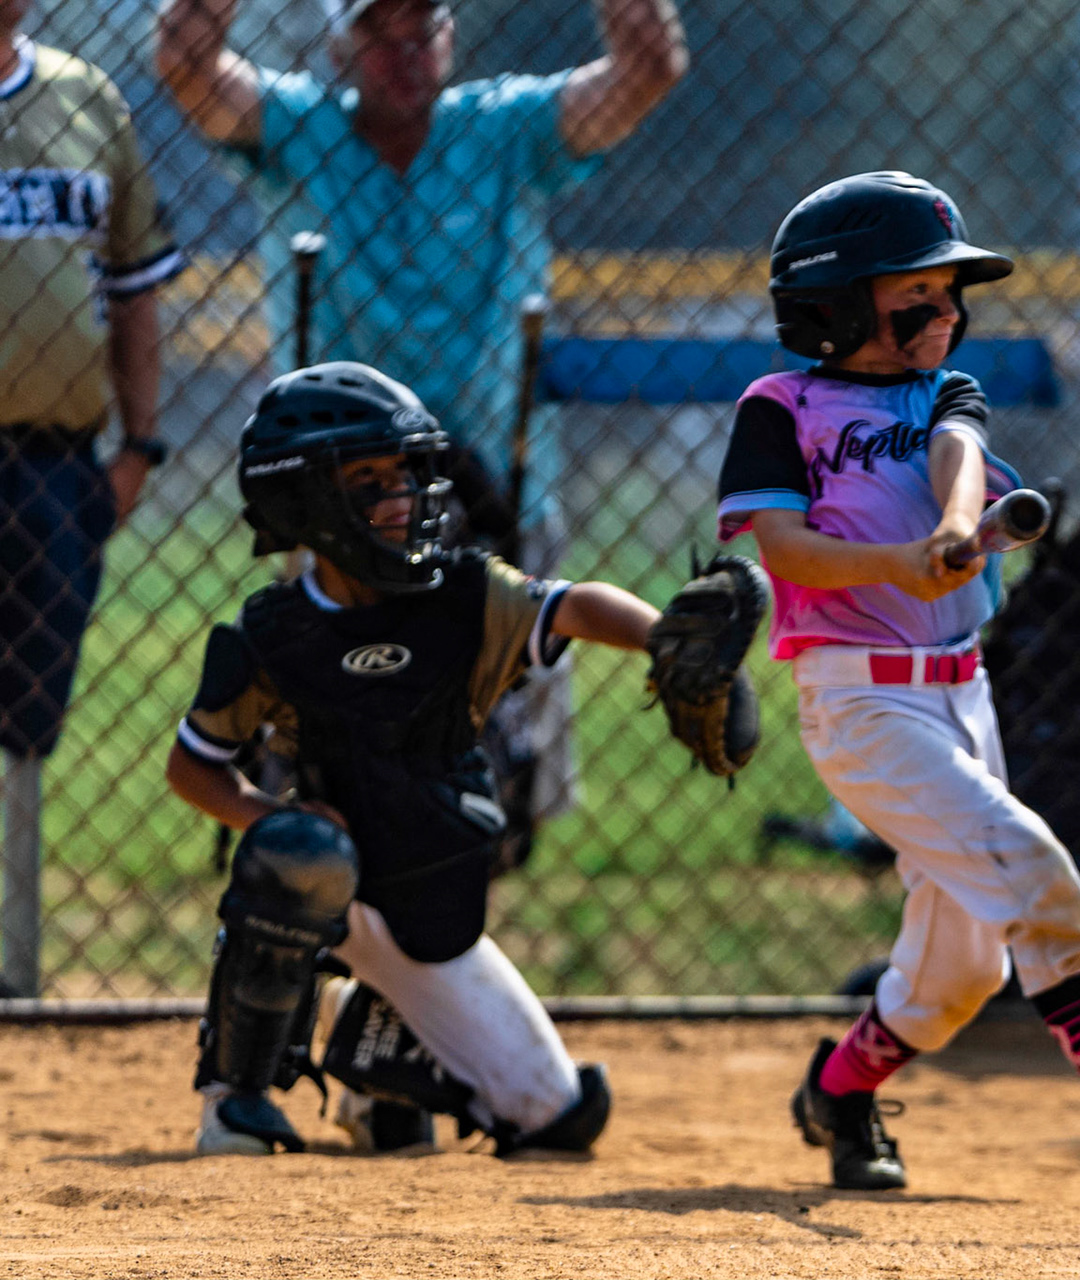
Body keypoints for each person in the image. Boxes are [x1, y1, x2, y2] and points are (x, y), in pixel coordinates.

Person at [716, 171, 1080, 1201]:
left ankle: (839, 1090)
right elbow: (789, 549)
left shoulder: (944, 391)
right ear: (836, 305)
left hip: (964, 698)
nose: (947, 315)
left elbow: (958, 452)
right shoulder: (779, 407)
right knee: (1030, 865)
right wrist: (899, 561)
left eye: (951, 297)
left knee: (962, 968)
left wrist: (952, 523)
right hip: (864, 702)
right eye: (917, 298)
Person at [155, 0, 690, 862]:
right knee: (336, 738)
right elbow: (187, 70)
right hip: (338, 497)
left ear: (452, 38)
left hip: (498, 482)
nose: (404, 51)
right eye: (379, 32)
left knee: (499, 755)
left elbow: (647, 71)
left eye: (423, 27)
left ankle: (466, 917)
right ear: (342, 45)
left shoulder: (505, 129)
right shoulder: (301, 129)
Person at [166, 361, 667, 1156]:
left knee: (555, 1118)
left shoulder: (464, 597)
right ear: (306, 500)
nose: (400, 496)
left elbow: (573, 605)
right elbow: (193, 766)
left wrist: (664, 640)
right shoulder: (273, 632)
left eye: (404, 473)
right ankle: (235, 1098)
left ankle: (369, 1057)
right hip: (331, 890)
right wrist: (271, 817)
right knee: (297, 851)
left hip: (428, 892)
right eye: (368, 479)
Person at [1, 0, 183, 766]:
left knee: (28, 735)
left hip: (56, 464)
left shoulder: (86, 97)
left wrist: (139, 445)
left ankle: (18, 889)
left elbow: (134, 286)